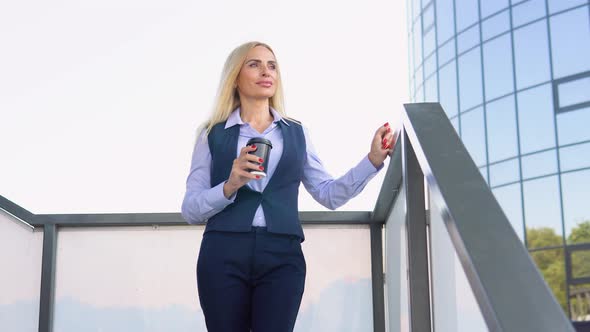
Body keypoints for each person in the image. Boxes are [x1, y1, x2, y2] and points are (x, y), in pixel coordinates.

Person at [181, 41, 395, 332]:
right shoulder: (211, 134)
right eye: (254, 64)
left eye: (272, 65)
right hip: (222, 254)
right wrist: (229, 186)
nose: (265, 71)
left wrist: (371, 161)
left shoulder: (297, 133)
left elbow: (328, 194)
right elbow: (191, 210)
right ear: (235, 77)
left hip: (281, 254)